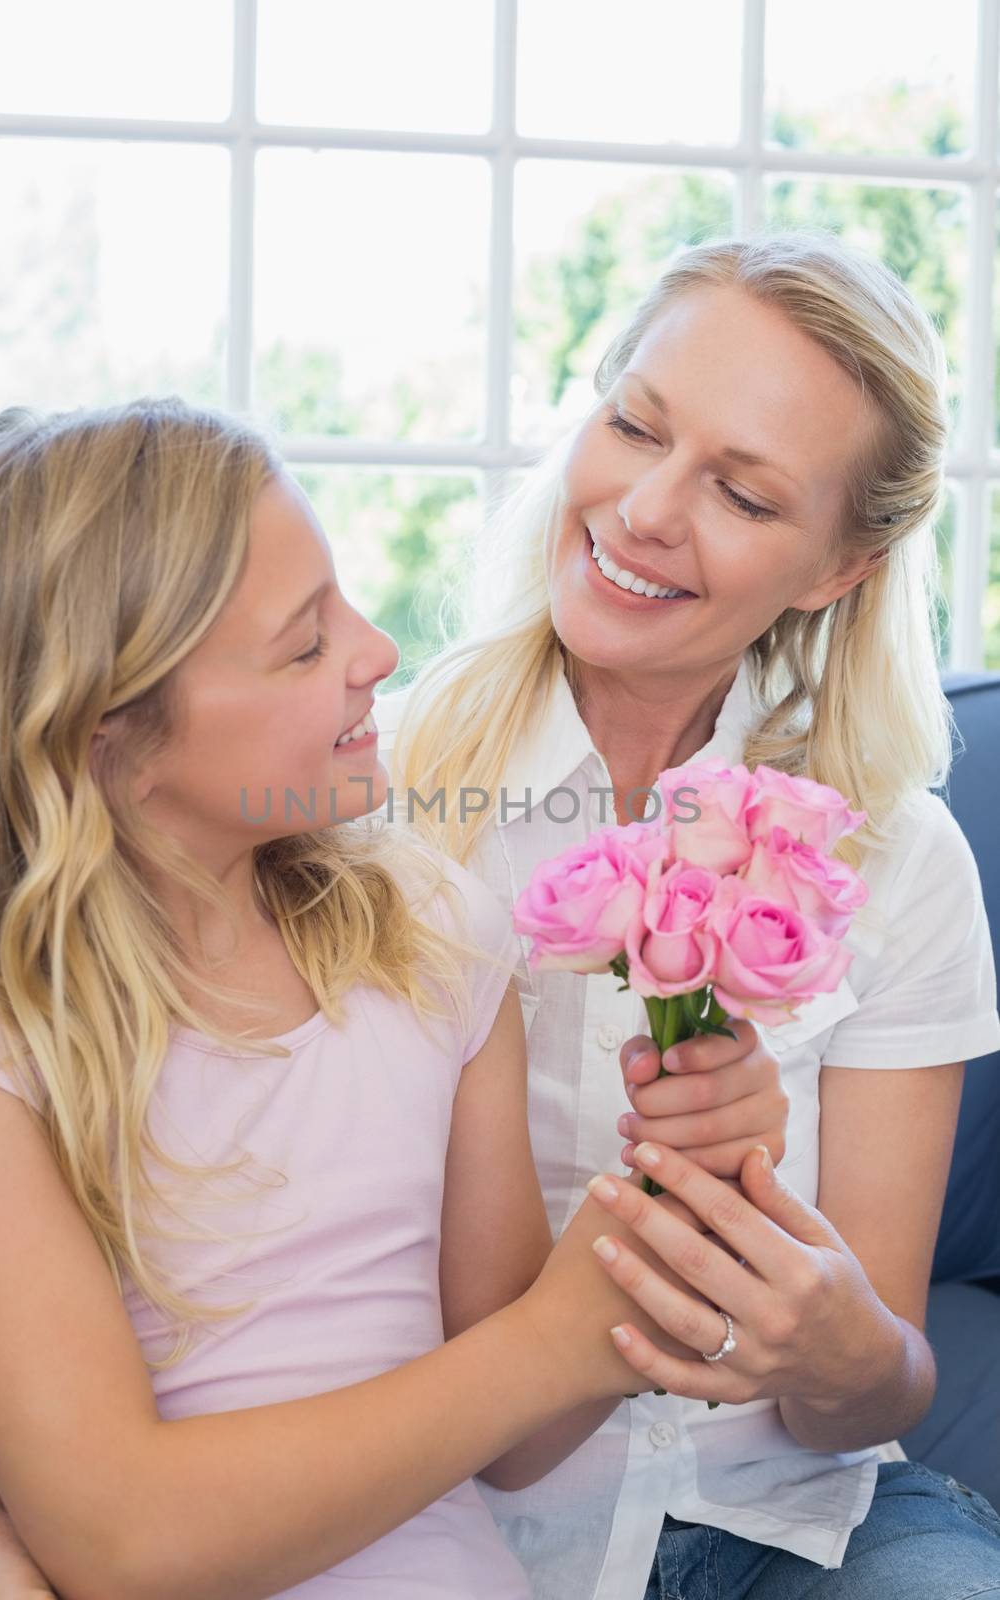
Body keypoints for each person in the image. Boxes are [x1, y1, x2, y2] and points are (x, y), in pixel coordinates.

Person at [0, 399, 790, 1600]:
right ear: (103, 740)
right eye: (301, 644)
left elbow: (515, 1446)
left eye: (341, 599)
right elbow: (120, 1538)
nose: (378, 650)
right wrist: (540, 1346)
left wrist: (672, 1204)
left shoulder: (430, 937)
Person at [377, 233, 1000, 1598]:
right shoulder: (385, 801)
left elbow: (875, 1390)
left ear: (836, 567)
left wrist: (838, 1346)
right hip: (469, 1525)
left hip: (801, 1524)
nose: (646, 510)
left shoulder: (892, 859)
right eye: (632, 425)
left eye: (741, 492)